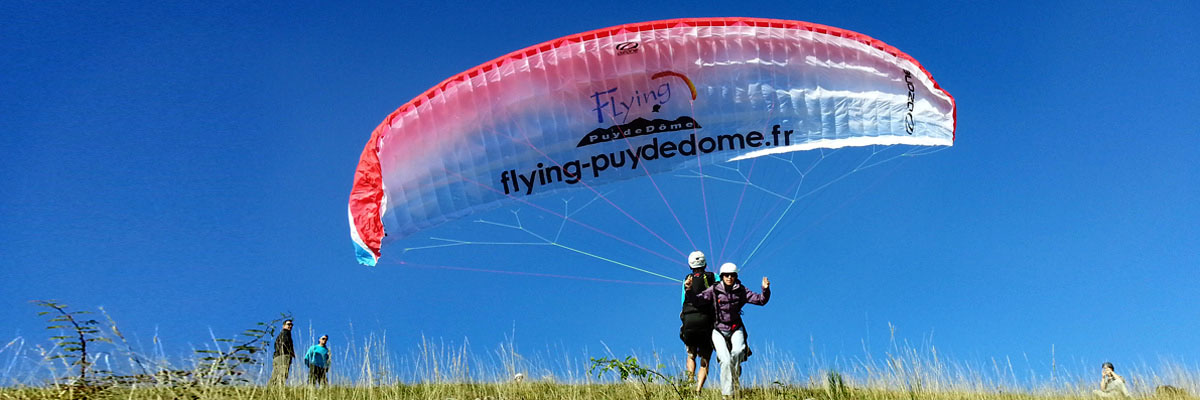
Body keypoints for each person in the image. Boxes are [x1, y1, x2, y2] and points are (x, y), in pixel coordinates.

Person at [685, 262, 770, 399]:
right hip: (718, 329)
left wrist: (765, 290)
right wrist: (689, 290)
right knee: (725, 360)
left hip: (736, 328)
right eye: (726, 275)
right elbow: (697, 301)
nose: (729, 277)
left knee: (737, 352)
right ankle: (727, 395)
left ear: (735, 276)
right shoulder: (714, 289)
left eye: (732, 275)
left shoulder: (741, 290)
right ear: (722, 276)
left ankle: (734, 382)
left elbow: (760, 300)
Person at [679, 251, 716, 394]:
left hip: (689, 322)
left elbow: (683, 302)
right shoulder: (714, 277)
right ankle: (698, 389)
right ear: (705, 264)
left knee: (691, 355)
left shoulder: (686, 280)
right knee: (705, 357)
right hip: (707, 322)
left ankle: (689, 381)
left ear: (690, 265)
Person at [269, 319, 295, 386]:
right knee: (282, 374)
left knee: (275, 374)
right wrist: (290, 352)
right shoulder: (285, 333)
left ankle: (270, 389)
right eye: (288, 324)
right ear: (284, 326)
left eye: (291, 325)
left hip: (277, 356)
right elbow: (284, 344)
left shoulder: (281, 334)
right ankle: (279, 390)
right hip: (283, 356)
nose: (290, 326)